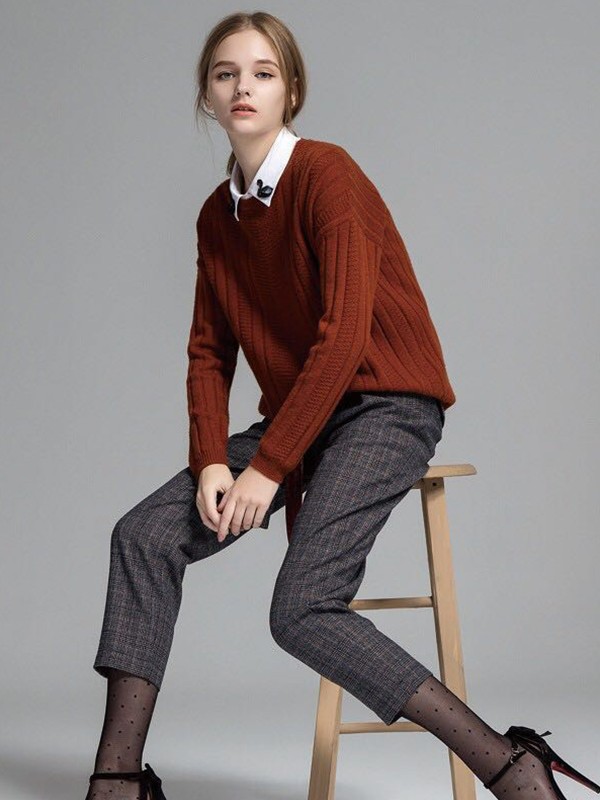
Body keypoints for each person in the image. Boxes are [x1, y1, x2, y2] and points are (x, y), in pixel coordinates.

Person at [84, 11, 600, 800]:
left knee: (301, 610)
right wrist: (213, 461)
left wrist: (270, 468)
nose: (243, 87)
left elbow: (344, 335)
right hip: (305, 414)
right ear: (207, 96)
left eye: (262, 73)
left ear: (291, 90)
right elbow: (208, 352)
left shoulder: (328, 175)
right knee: (143, 536)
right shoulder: (217, 216)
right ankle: (117, 779)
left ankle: (507, 763)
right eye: (226, 74)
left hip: (386, 405)